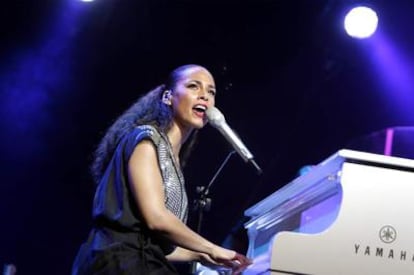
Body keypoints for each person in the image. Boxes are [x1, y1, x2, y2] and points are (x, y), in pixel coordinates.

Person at [71, 64, 252, 275]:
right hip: (116, 263)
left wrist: (202, 255)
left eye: (211, 92)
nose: (205, 96)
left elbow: (153, 244)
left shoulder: (172, 158)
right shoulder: (146, 139)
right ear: (168, 97)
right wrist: (211, 248)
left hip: (138, 260)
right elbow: (156, 219)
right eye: (194, 86)